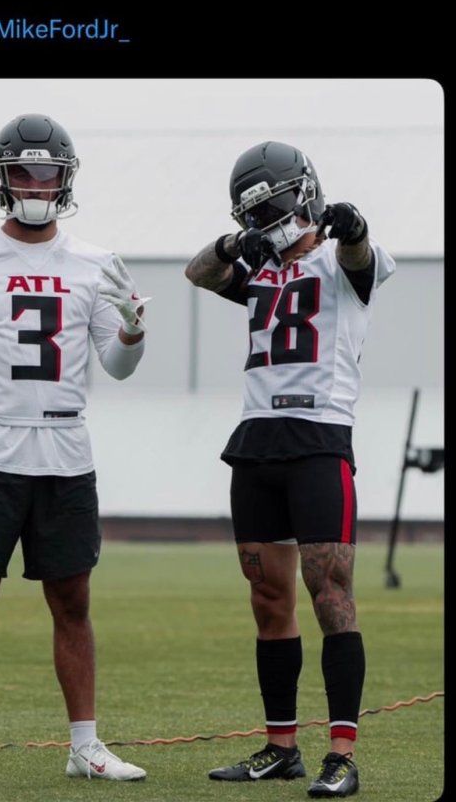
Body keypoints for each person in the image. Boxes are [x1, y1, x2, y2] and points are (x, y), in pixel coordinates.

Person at [0, 114, 149, 786]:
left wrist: (132, 333)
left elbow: (117, 366)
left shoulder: (94, 263)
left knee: (73, 601)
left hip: (66, 449)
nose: (36, 185)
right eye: (24, 171)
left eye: (48, 173)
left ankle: (85, 746)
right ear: (2, 177)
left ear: (65, 180)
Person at [185, 141, 395, 798]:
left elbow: (360, 255)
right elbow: (198, 272)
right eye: (254, 212)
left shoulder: (341, 262)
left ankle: (342, 755)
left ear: (303, 195)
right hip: (256, 440)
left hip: (318, 438)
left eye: (270, 206)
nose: (265, 219)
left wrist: (353, 227)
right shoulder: (258, 265)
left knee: (331, 595)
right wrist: (232, 244)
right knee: (268, 599)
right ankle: (281, 748)